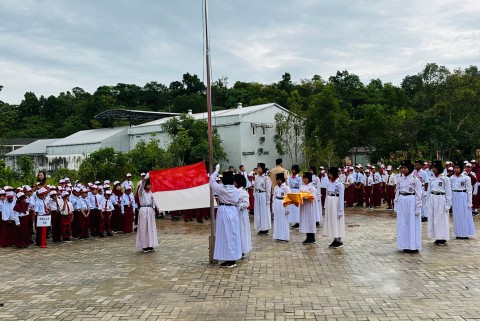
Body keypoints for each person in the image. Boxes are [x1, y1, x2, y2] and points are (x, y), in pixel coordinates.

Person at [210, 165, 242, 268]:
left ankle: (229, 259)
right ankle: (231, 258)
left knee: (224, 235)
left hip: (223, 210)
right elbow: (239, 201)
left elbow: (211, 180)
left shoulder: (221, 188)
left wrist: (216, 171)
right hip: (233, 210)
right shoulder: (237, 190)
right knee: (232, 234)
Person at [395, 160, 423, 253]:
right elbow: (397, 192)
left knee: (412, 223)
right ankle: (405, 244)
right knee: (403, 223)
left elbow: (419, 194)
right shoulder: (400, 179)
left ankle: (413, 245)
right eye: (401, 168)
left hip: (412, 200)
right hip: (402, 200)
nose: (403, 170)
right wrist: (396, 204)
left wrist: (418, 207)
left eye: (405, 168)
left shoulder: (415, 179)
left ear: (409, 168)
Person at [426, 161, 452, 245]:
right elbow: (429, 190)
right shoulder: (431, 178)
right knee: (434, 218)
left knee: (441, 218)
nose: (433, 169)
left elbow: (448, 192)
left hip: (441, 198)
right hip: (433, 198)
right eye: (433, 168)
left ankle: (443, 237)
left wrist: (448, 204)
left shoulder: (445, 179)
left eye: (435, 168)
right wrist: (427, 200)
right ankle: (437, 236)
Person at [450, 163, 474, 239]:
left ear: (461, 168)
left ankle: (465, 233)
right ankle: (458, 233)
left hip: (463, 195)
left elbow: (469, 190)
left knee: (464, 215)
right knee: (457, 215)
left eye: (457, 168)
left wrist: (470, 202)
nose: (456, 169)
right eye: (455, 168)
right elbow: (450, 189)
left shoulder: (466, 178)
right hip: (455, 196)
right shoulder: (451, 178)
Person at [323, 167, 345, 249]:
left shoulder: (339, 183)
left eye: (330, 173)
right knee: (332, 221)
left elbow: (341, 197)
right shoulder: (329, 183)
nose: (329, 175)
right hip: (330, 203)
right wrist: (325, 206)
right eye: (328, 173)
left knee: (337, 221)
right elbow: (326, 194)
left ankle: (339, 240)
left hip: (336, 203)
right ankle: (335, 238)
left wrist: (340, 210)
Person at [136, 175, 158, 253]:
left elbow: (155, 201)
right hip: (143, 209)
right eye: (147, 184)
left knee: (150, 228)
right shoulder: (141, 192)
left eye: (150, 184)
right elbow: (141, 188)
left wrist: (159, 208)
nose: (149, 186)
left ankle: (150, 244)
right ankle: (144, 245)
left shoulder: (151, 193)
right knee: (144, 228)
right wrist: (144, 181)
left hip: (150, 210)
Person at [233, 174, 251, 258]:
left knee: (242, 231)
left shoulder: (243, 191)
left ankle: (242, 249)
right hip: (236, 213)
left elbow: (247, 203)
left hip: (242, 214)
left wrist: (239, 206)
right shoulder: (235, 190)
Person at [299, 172, 317, 244]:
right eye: (303, 178)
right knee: (305, 220)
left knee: (310, 220)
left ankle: (312, 237)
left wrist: (306, 197)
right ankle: (307, 236)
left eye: (306, 178)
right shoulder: (302, 187)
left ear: (309, 179)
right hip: (304, 206)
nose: (304, 180)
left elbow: (313, 196)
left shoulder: (312, 187)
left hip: (309, 206)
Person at [254, 163, 272, 235]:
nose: (258, 169)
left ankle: (265, 228)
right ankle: (260, 227)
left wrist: (268, 200)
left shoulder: (266, 178)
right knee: (258, 212)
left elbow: (268, 190)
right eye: (257, 168)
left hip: (263, 195)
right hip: (258, 195)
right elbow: (255, 187)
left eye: (259, 168)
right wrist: (254, 194)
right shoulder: (256, 177)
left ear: (263, 169)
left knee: (264, 212)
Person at [273, 173, 291, 242]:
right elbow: (274, 198)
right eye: (276, 180)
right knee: (277, 220)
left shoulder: (286, 187)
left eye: (279, 180)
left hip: (283, 203)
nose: (277, 181)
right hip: (277, 203)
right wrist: (273, 207)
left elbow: (289, 198)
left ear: (282, 180)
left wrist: (287, 208)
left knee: (284, 220)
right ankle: (278, 236)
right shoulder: (276, 187)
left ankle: (284, 237)